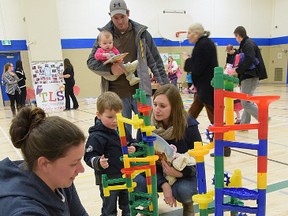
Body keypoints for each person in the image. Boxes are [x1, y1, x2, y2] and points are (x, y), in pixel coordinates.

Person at [87, 0, 169, 133]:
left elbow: (155, 62)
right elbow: (91, 62)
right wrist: (110, 70)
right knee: (122, 136)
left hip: (141, 93)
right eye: (115, 18)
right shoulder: (104, 36)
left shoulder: (141, 34)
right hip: (116, 96)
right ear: (110, 16)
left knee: (148, 131)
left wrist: (166, 89)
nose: (120, 21)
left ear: (128, 13)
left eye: (122, 17)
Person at [0, 107, 88, 215]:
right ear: (45, 164)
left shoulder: (60, 181)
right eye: (74, 163)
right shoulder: (24, 211)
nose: (81, 169)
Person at [135, 84, 202, 216]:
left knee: (184, 191)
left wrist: (179, 174)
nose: (156, 109)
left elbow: (198, 161)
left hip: (182, 175)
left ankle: (188, 205)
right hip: (155, 173)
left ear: (174, 108)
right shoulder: (146, 125)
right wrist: (164, 184)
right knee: (137, 184)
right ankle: (149, 204)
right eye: (155, 104)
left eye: (163, 106)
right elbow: (143, 161)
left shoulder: (189, 125)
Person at [84, 91, 137, 216]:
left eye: (118, 116)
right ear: (99, 115)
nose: (114, 121)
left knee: (128, 206)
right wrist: (98, 161)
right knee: (109, 210)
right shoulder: (96, 136)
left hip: (125, 176)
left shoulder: (121, 128)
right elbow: (88, 156)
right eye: (110, 117)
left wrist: (133, 148)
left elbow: (132, 141)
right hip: (108, 180)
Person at [182, 23, 218, 125]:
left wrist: (187, 60)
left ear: (196, 33)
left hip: (206, 87)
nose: (187, 36)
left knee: (213, 114)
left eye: (189, 33)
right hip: (204, 87)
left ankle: (220, 135)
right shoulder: (205, 43)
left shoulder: (203, 45)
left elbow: (197, 68)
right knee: (194, 111)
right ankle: (184, 129)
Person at [231, 26, 266, 125]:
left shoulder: (248, 44)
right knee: (247, 100)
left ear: (238, 35)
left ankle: (263, 117)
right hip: (248, 76)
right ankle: (244, 123)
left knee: (245, 102)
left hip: (250, 76)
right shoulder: (245, 44)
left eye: (235, 37)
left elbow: (249, 59)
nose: (236, 39)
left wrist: (238, 70)